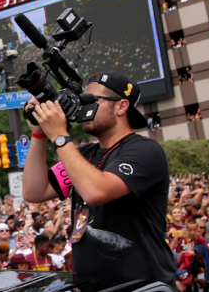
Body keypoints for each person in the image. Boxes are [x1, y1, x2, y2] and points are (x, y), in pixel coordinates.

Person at [22, 71, 176, 285]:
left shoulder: (145, 150)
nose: (84, 107)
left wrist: (59, 135)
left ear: (121, 107)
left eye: (92, 100)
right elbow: (34, 191)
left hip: (142, 286)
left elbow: (96, 191)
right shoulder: (85, 155)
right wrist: (39, 134)